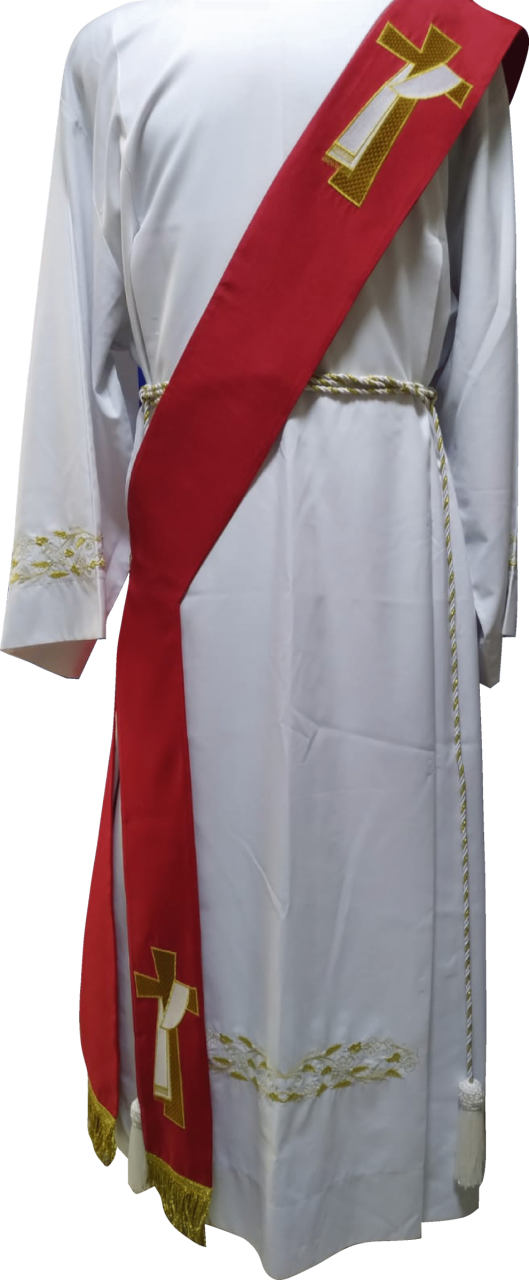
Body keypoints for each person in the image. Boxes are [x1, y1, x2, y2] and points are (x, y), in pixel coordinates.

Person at [0, 2, 525, 1275]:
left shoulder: (442, 53)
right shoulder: (113, 50)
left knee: (352, 850)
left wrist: (71, 584)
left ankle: (355, 1152)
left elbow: (484, 335)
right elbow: (486, 351)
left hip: (305, 535)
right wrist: (480, 600)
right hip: (332, 538)